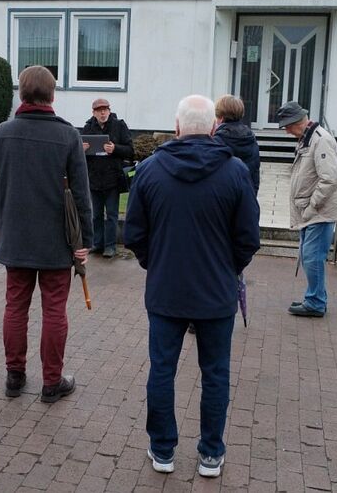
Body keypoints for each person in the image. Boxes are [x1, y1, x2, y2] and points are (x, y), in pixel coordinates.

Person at [124, 95, 260, 478]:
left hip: (166, 289)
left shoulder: (150, 170)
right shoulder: (235, 172)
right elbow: (248, 238)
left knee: (162, 369)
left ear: (177, 127)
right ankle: (211, 453)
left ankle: (162, 449)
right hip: (216, 292)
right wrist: (228, 268)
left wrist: (156, 263)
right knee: (215, 372)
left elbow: (133, 233)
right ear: (214, 127)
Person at [0, 65, 92, 403]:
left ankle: (14, 376)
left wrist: (4, 221)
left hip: (16, 238)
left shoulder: (1, 133)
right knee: (54, 310)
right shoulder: (68, 136)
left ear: (21, 93)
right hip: (57, 242)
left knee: (15, 307)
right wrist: (85, 241)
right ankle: (51, 382)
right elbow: (82, 194)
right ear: (52, 95)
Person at [275, 100, 337, 318]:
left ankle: (315, 302)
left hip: (319, 213)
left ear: (298, 122)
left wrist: (312, 206)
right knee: (309, 257)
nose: (286, 131)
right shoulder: (309, 138)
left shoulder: (320, 140)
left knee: (313, 258)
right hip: (312, 212)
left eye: (287, 126)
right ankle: (315, 298)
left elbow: (330, 179)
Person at [81, 98, 134, 258]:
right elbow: (79, 155)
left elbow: (130, 150)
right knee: (96, 215)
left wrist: (115, 148)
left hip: (113, 178)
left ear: (109, 111)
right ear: (94, 113)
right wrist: (82, 150)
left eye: (105, 109)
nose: (103, 113)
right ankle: (97, 244)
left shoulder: (119, 126)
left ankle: (110, 246)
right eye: (99, 110)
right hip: (94, 178)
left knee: (111, 214)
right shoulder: (87, 128)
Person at [213, 95, 260, 194]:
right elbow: (255, 172)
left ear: (221, 118)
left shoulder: (217, 141)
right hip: (246, 194)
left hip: (223, 196)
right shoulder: (251, 138)